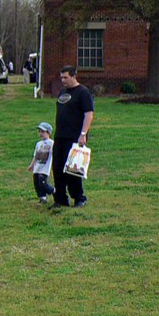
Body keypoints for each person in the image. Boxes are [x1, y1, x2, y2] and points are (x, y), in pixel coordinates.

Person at [52, 65, 94, 208]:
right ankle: (60, 199)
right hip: (60, 136)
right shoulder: (62, 92)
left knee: (73, 169)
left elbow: (88, 114)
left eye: (65, 77)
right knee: (57, 168)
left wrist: (83, 134)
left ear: (73, 76)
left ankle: (79, 198)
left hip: (74, 137)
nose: (63, 80)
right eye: (61, 77)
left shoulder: (83, 92)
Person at [28, 121, 55, 203]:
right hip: (37, 167)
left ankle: (54, 191)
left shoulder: (51, 143)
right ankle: (42, 198)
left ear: (48, 132)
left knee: (42, 183)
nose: (41, 133)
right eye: (40, 131)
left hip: (44, 168)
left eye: (43, 132)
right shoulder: (38, 144)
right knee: (37, 184)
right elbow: (35, 156)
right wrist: (32, 165)